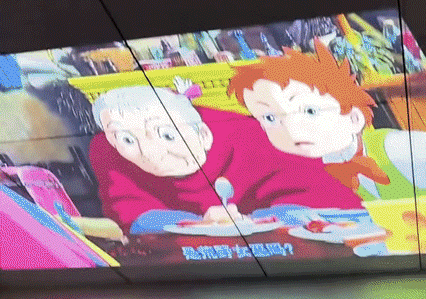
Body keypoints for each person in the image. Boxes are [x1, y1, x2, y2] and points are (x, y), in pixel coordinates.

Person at [88, 82, 363, 235]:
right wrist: (191, 224)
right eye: (128, 140)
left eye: (167, 136)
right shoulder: (106, 149)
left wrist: (253, 221)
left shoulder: (252, 136)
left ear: (204, 134)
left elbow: (323, 201)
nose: (151, 154)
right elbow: (129, 214)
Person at [227, 40, 426, 201]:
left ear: (354, 117)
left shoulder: (401, 150)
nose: (292, 129)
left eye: (310, 111)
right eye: (270, 118)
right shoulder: (314, 169)